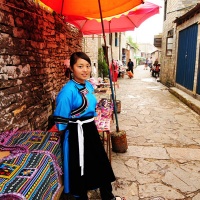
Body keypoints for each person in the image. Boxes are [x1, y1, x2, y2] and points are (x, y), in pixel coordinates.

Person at [53, 52, 120, 200]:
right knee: (80, 168)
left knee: (100, 162)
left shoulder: (88, 85)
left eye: (88, 66)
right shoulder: (67, 92)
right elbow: (61, 121)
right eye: (80, 66)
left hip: (90, 129)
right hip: (76, 134)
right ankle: (82, 196)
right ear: (72, 68)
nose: (85, 70)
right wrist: (67, 135)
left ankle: (108, 196)